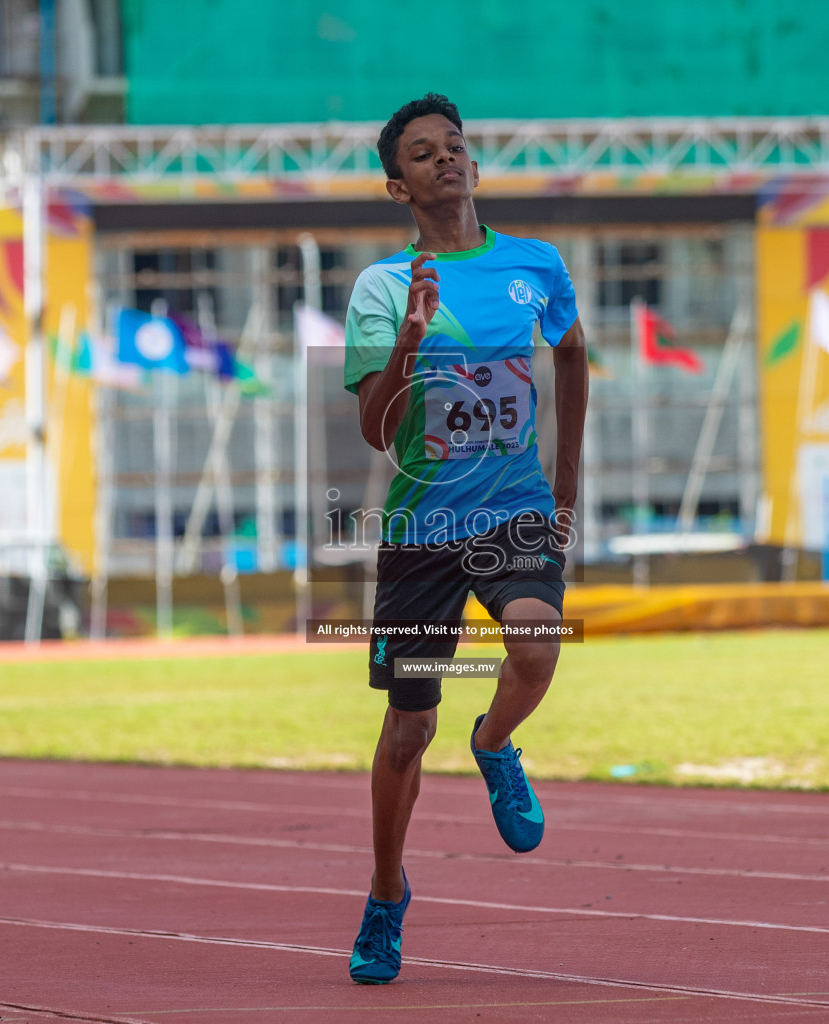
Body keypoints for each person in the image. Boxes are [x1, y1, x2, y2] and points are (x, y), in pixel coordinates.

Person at [342, 93, 588, 985]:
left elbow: (571, 355)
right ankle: (385, 893)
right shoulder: (380, 286)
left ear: (473, 165)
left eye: (454, 145)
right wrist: (409, 338)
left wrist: (565, 481)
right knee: (408, 729)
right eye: (421, 153)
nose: (444, 158)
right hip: (421, 528)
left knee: (536, 641)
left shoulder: (536, 265)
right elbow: (377, 428)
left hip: (515, 506)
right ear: (397, 185)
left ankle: (494, 745)